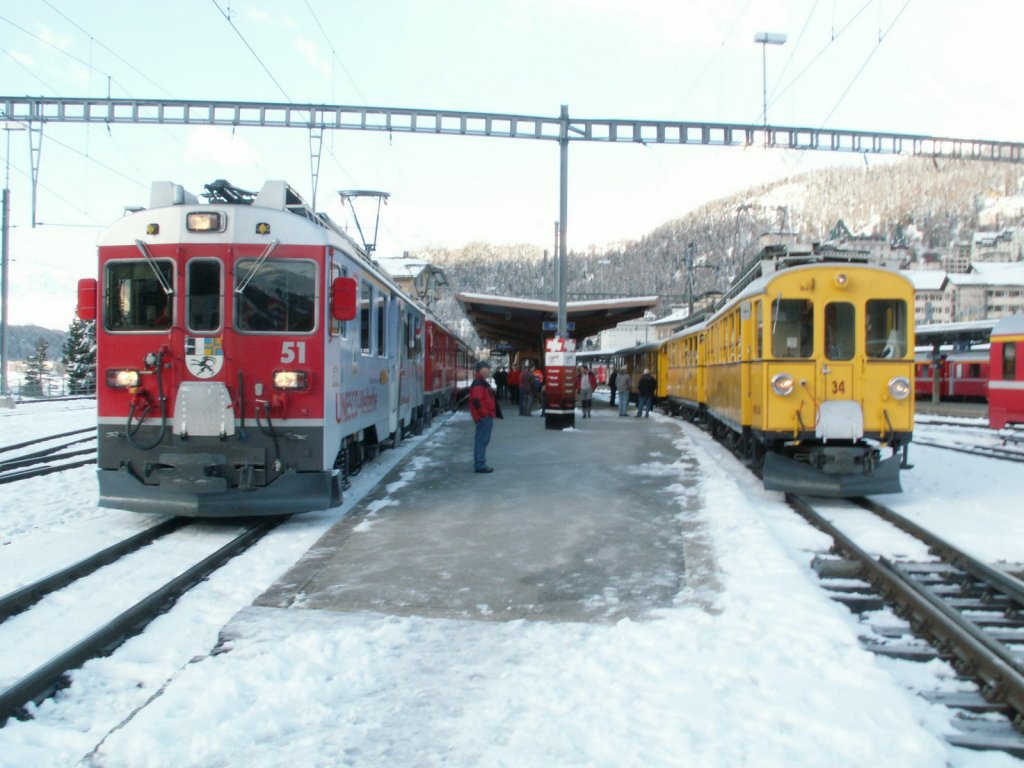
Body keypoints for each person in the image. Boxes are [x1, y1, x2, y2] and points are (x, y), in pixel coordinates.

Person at [469, 360, 502, 473]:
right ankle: (480, 465)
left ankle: (480, 463)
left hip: (485, 416)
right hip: (483, 417)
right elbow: (477, 401)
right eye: (487, 369)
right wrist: (485, 413)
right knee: (482, 441)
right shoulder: (478, 383)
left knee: (482, 440)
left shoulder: (481, 382)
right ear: (481, 370)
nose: (488, 371)